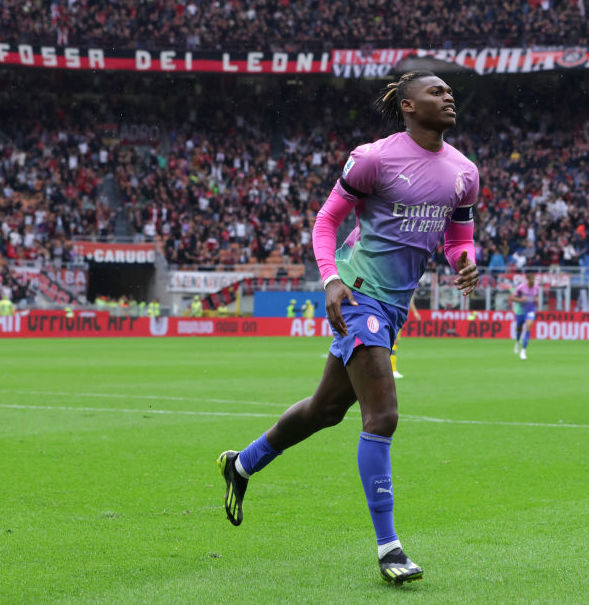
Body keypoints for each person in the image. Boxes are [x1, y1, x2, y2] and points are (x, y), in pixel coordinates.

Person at [217, 70, 479, 585]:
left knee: (326, 409)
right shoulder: (375, 158)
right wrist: (332, 279)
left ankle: (241, 465)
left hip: (395, 306)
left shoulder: (464, 172)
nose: (448, 97)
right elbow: (326, 221)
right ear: (407, 105)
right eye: (436, 91)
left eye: (450, 92)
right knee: (382, 417)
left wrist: (465, 260)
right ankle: (390, 548)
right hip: (359, 294)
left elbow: (457, 239)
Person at [510, 271, 541, 360]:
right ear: (527, 280)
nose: (533, 281)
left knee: (528, 327)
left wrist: (537, 300)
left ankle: (523, 351)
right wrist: (520, 299)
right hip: (521, 311)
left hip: (530, 310)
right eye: (531, 279)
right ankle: (517, 342)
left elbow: (536, 296)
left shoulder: (536, 288)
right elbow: (512, 297)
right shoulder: (521, 287)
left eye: (534, 279)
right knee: (519, 328)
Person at [390, 299, 422, 379]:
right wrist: (415, 312)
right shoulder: (402, 288)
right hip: (394, 316)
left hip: (395, 315)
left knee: (392, 344)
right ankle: (392, 370)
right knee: (393, 343)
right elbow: (409, 299)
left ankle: (391, 370)